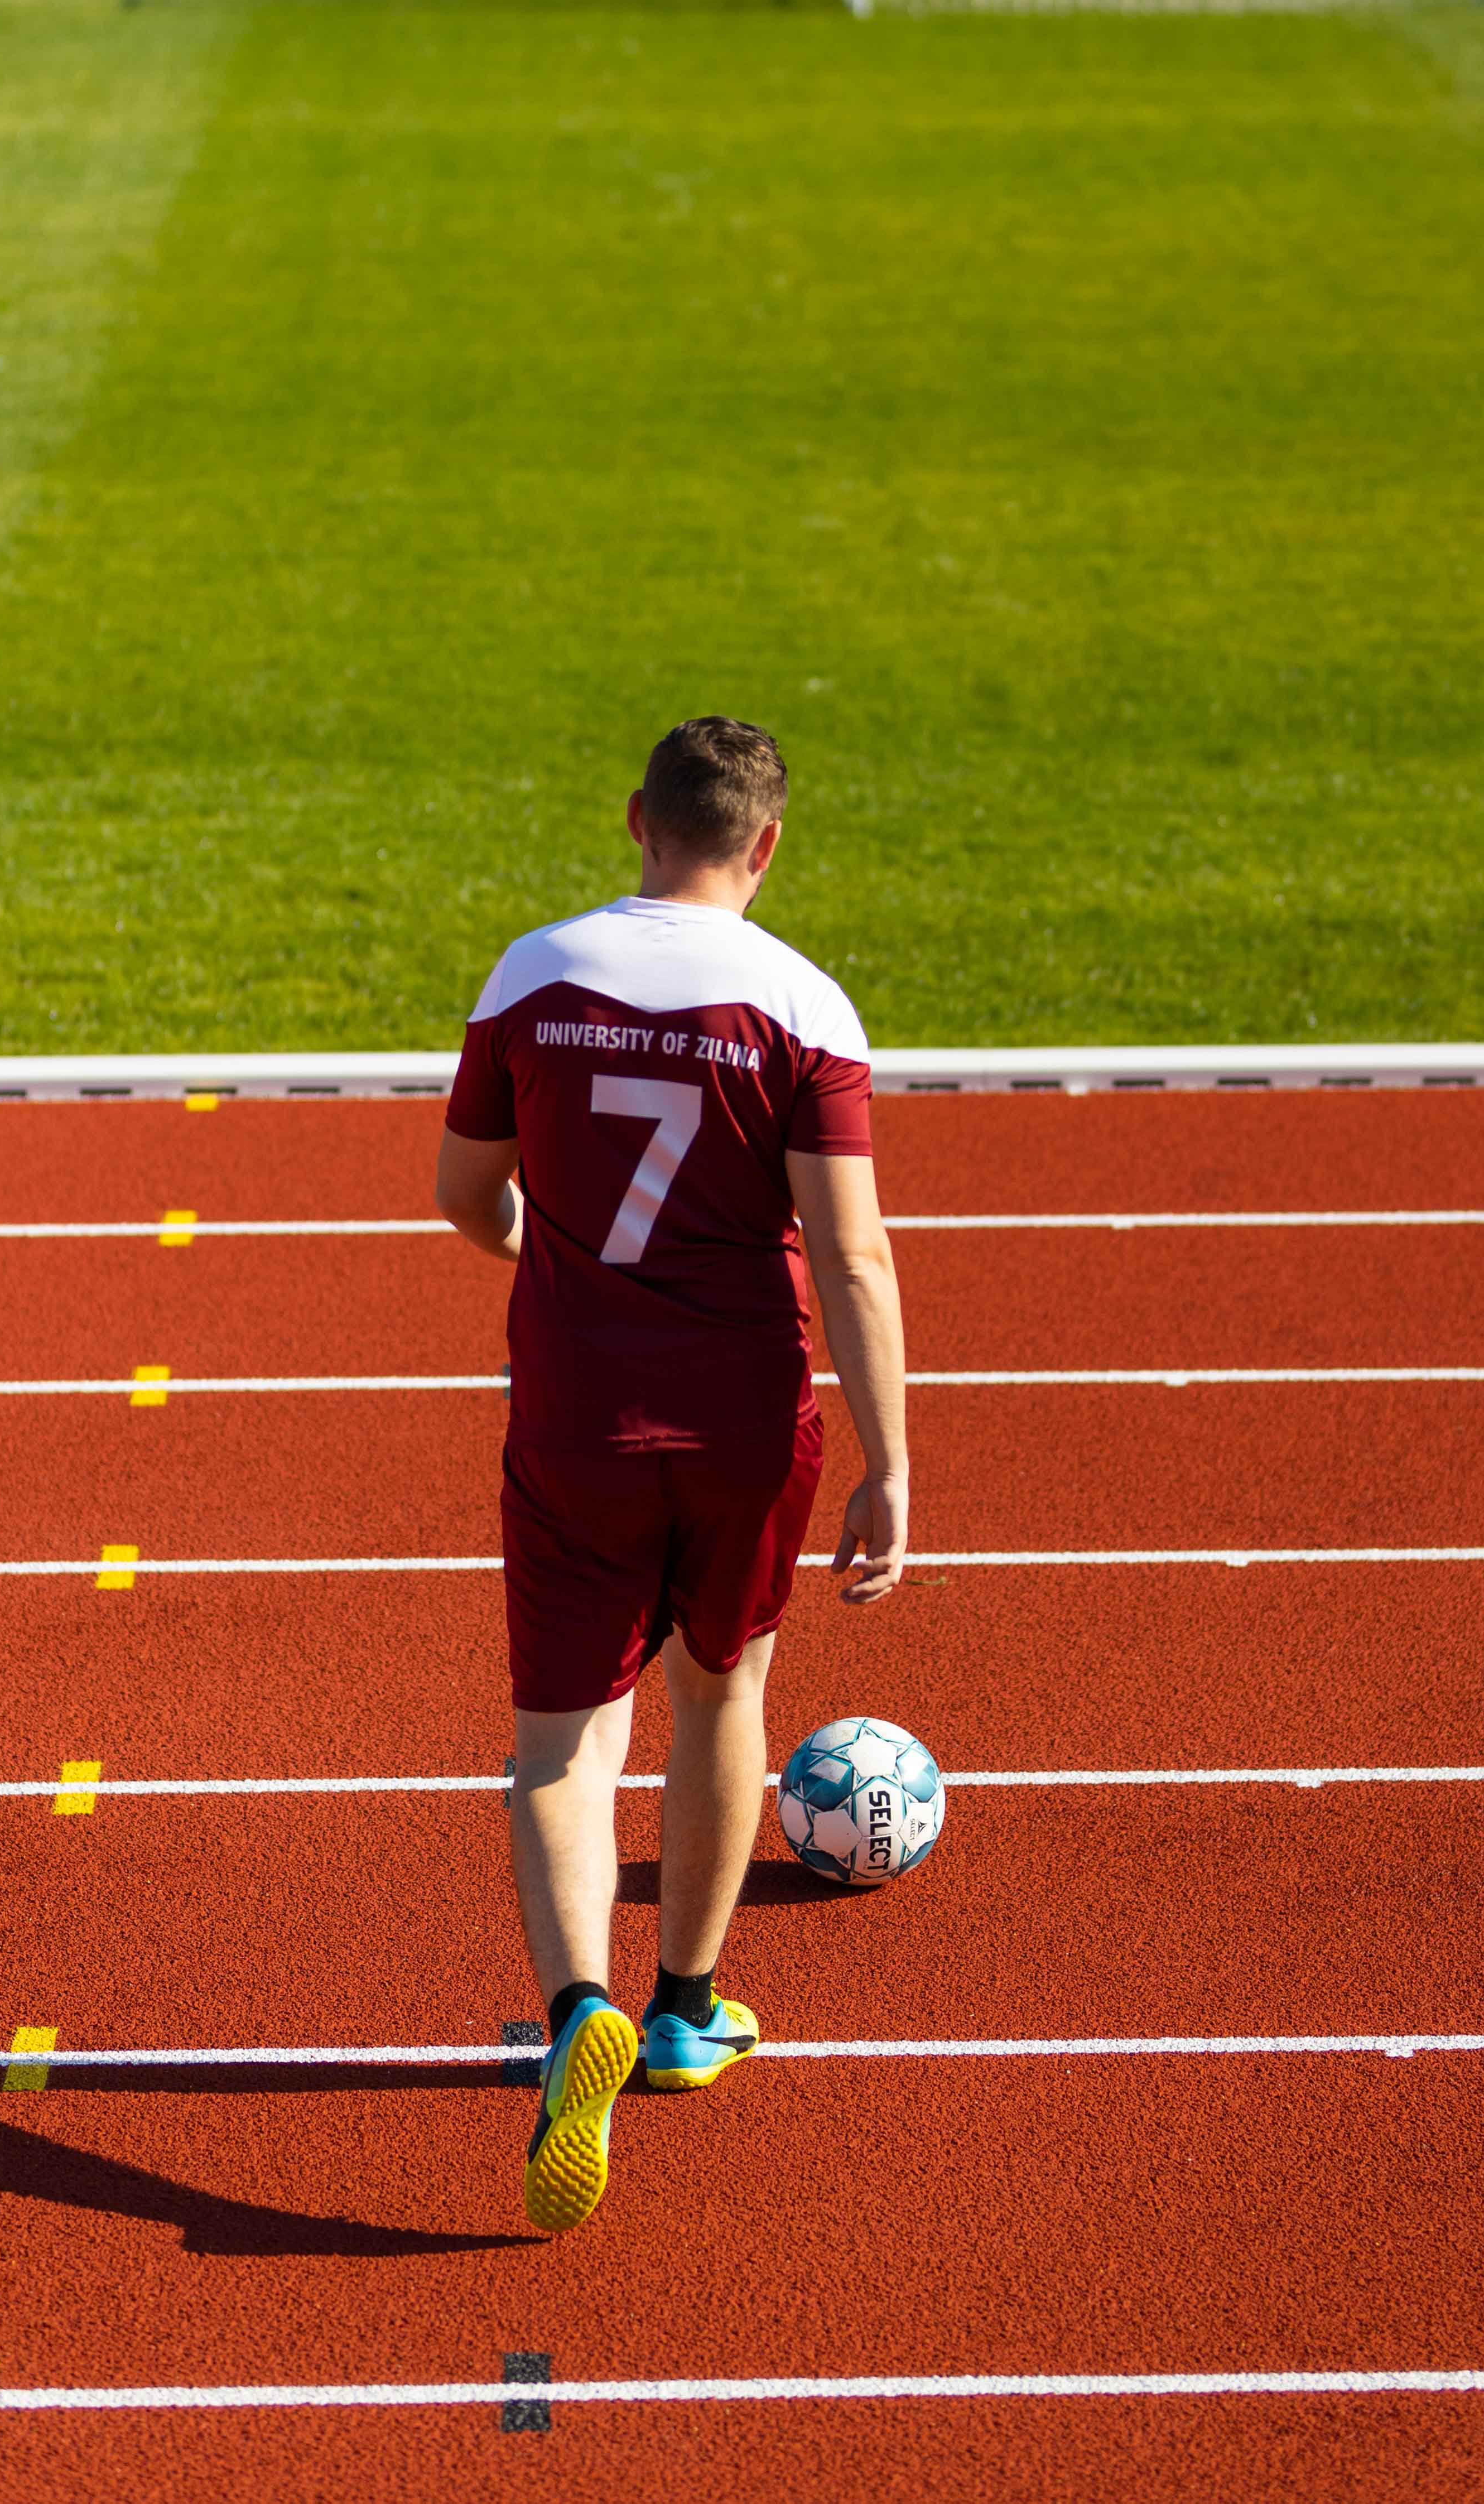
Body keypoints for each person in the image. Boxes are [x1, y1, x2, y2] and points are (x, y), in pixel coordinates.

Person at [436, 717, 911, 2239]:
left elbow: (466, 1194)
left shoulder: (534, 973)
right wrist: (891, 1461)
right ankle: (686, 2011)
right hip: (746, 1418)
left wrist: (554, 1255)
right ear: (764, 844)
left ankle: (577, 2005)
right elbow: (849, 1254)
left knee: (561, 1746)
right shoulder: (801, 1004)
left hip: (578, 1411)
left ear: (637, 818)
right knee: (720, 1691)